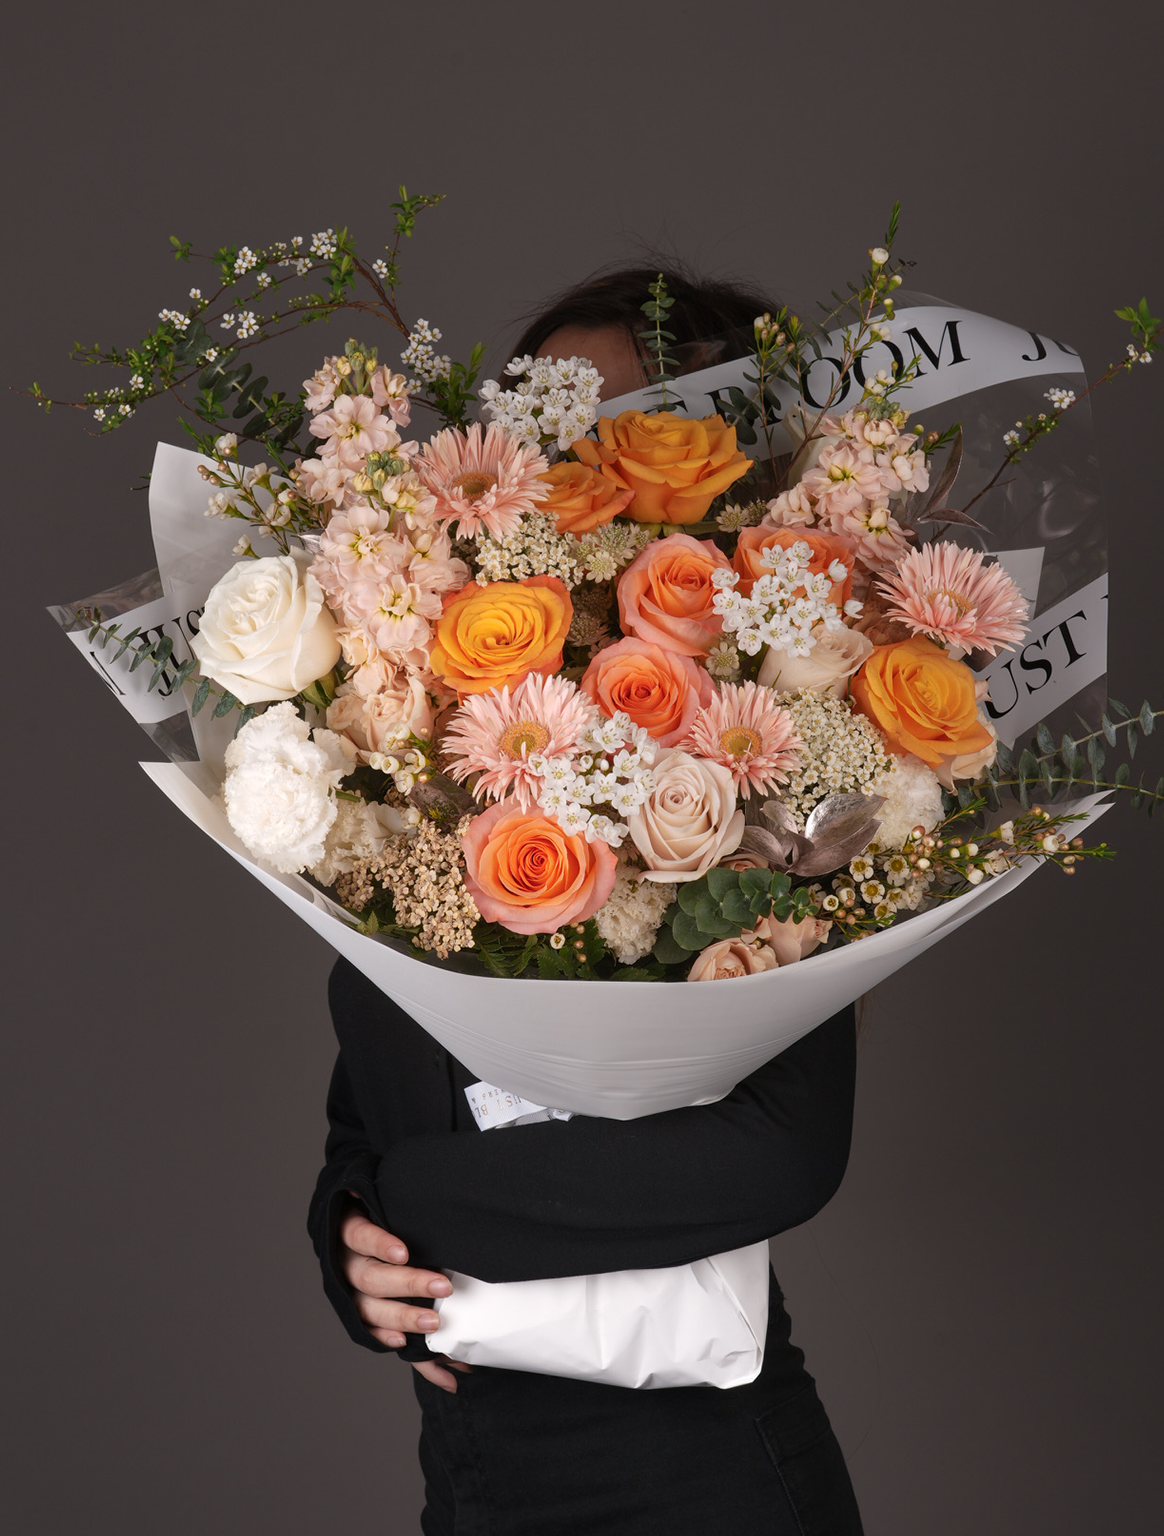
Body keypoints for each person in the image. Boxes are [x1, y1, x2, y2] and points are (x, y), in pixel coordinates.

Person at [308, 263, 866, 1535]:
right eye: (539, 427)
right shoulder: (432, 787)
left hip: (700, 1489)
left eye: (625, 432)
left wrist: (416, 1206)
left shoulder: (744, 808)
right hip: (475, 1480)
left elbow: (782, 1148)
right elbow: (375, 1094)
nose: (571, 467)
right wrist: (349, 1237)